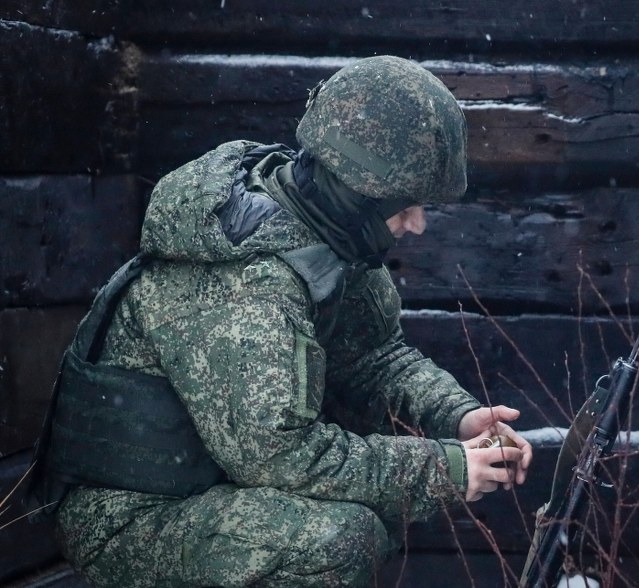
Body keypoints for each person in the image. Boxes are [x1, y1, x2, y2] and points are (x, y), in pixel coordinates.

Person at [36, 55, 533, 587]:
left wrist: (457, 419)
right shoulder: (250, 281)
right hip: (128, 519)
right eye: (405, 206)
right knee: (337, 540)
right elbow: (280, 454)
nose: (417, 224)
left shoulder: (330, 237)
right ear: (356, 191)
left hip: (213, 488)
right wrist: (446, 469)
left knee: (371, 507)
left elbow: (375, 359)